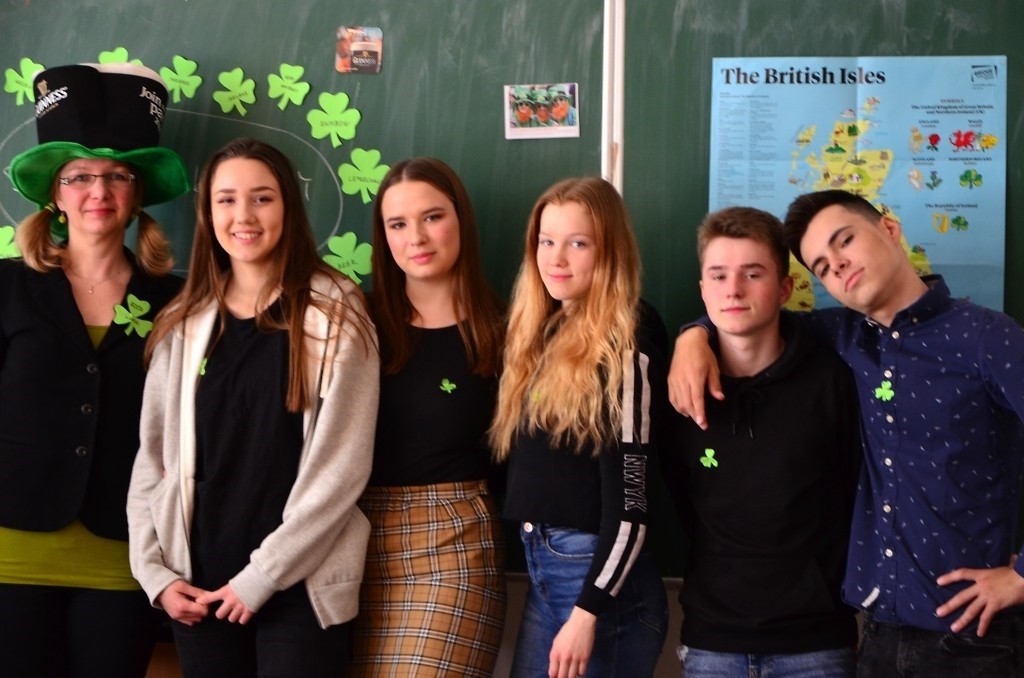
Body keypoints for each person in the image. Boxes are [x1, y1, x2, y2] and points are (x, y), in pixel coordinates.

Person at [669, 189, 1024, 677]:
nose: (836, 265)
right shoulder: (841, 335)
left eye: (845, 241)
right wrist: (693, 335)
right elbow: (745, 314)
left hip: (972, 637)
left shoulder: (985, 336)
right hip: (879, 631)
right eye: (821, 265)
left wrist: (1021, 576)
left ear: (890, 229)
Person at [126, 138, 378, 677]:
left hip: (300, 585)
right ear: (207, 211)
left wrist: (263, 575)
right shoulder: (184, 321)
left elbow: (343, 467)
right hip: (199, 586)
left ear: (288, 206)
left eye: (262, 198)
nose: (243, 216)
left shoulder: (335, 311)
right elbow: (151, 461)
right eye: (226, 199)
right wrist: (154, 574)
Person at [0, 62, 189, 677]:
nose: (98, 192)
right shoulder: (8, 288)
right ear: (55, 194)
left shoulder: (179, 300)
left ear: (137, 195)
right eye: (79, 176)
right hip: (9, 550)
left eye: (117, 176)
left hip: (124, 553)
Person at [661, 206, 861, 677]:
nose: (733, 289)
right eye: (719, 275)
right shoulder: (679, 393)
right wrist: (692, 336)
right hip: (712, 644)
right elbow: (683, 505)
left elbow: (857, 495)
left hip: (816, 644)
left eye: (753, 274)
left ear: (785, 289)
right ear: (702, 290)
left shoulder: (832, 382)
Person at [490, 176, 669, 677]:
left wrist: (587, 611)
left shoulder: (627, 339)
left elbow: (632, 501)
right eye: (546, 242)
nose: (557, 259)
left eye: (578, 244)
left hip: (599, 590)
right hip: (545, 572)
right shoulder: (541, 331)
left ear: (609, 251)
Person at [348, 157, 507, 676]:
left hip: (453, 542)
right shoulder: (355, 320)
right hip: (348, 543)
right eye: (397, 224)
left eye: (432, 217)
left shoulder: (507, 329)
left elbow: (610, 317)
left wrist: (697, 335)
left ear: (461, 219)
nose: (415, 237)